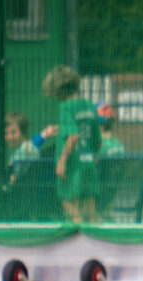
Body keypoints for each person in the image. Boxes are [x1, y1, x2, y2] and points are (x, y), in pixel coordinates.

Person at [42, 65, 101, 222]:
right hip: (88, 164)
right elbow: (98, 138)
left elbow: (74, 136)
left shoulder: (65, 107)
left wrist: (62, 161)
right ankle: (95, 236)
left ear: (59, 90)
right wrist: (95, 155)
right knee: (90, 214)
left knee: (70, 208)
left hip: (72, 166)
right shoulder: (89, 105)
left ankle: (79, 235)